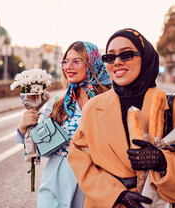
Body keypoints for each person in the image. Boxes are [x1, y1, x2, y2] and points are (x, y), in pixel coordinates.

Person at [68, 29, 175, 208]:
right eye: (109, 57)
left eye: (126, 55)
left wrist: (163, 162)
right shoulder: (92, 108)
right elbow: (79, 159)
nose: (117, 62)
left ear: (145, 57)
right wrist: (116, 195)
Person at [17, 41, 112, 208]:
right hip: (54, 183)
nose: (68, 66)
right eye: (65, 61)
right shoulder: (59, 102)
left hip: (93, 182)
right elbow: (38, 148)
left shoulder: (110, 100)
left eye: (76, 61)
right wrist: (23, 127)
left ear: (92, 63)